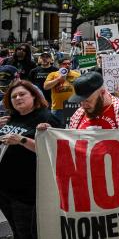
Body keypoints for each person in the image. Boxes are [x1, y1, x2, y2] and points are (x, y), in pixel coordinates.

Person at [0, 80, 61, 239]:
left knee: (27, 232)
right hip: (5, 189)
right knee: (16, 230)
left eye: (22, 94)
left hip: (27, 191)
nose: (18, 98)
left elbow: (55, 150)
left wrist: (22, 140)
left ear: (34, 96)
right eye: (14, 96)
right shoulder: (12, 117)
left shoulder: (46, 118)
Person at [43, 56, 80, 122]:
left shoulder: (76, 74)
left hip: (73, 106)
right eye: (64, 64)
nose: (67, 65)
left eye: (69, 64)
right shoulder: (53, 74)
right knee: (57, 128)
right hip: (58, 108)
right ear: (59, 65)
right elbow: (46, 87)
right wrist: (58, 79)